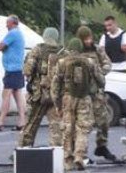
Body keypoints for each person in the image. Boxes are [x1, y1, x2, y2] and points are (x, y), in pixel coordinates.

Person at [52, 38, 104, 171]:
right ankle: (79, 156)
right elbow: (101, 81)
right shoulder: (90, 62)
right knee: (83, 128)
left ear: (69, 48)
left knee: (67, 129)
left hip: (67, 98)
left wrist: (57, 104)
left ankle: (67, 161)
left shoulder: (62, 62)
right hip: (84, 99)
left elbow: (55, 86)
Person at [76, 25, 117, 162]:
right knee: (84, 124)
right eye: (85, 39)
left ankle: (102, 146)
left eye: (90, 38)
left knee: (103, 121)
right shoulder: (76, 50)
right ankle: (82, 152)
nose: (88, 41)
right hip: (82, 93)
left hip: (97, 93)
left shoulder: (97, 49)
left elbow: (107, 64)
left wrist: (98, 72)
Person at [18, 27, 62, 148]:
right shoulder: (63, 51)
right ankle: (57, 152)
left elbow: (27, 70)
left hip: (38, 94)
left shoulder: (37, 49)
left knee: (31, 124)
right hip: (56, 95)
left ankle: (23, 150)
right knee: (56, 126)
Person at [0, 15, 26, 131]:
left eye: (7, 23)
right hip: (18, 68)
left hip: (12, 69)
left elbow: (0, 46)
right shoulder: (19, 33)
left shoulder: (13, 33)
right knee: (17, 94)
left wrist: (1, 46)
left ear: (13, 23)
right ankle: (22, 121)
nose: (6, 25)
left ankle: (0, 121)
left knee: (6, 95)